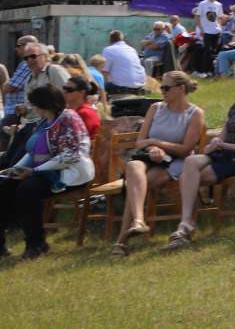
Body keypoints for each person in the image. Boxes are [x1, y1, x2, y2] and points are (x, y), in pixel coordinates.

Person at [166, 61, 235, 249]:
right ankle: (186, 224)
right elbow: (222, 136)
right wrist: (214, 144)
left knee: (188, 176)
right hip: (224, 153)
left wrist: (224, 145)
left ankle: (185, 227)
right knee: (191, 162)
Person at [111, 71, 205, 255]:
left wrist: (158, 145)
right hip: (149, 158)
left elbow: (186, 149)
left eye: (166, 87)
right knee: (133, 166)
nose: (162, 91)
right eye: (162, 87)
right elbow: (140, 142)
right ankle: (138, 220)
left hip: (177, 161)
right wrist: (152, 149)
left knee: (134, 184)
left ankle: (121, 242)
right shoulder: (155, 108)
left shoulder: (195, 113)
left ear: (181, 89)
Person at [0, 83, 94, 260]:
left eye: (35, 104)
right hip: (42, 171)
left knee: (27, 189)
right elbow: (32, 152)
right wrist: (15, 169)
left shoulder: (68, 118)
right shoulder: (44, 122)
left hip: (69, 175)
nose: (33, 108)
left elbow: (71, 154)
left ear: (44, 104)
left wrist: (34, 170)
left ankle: (36, 244)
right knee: (4, 185)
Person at [193, 0, 225, 71]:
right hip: (206, 32)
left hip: (216, 31)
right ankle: (203, 70)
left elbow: (219, 18)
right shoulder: (202, 4)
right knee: (207, 51)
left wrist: (220, 29)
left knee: (213, 51)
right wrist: (201, 29)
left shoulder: (219, 5)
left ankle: (211, 70)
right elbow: (197, 17)